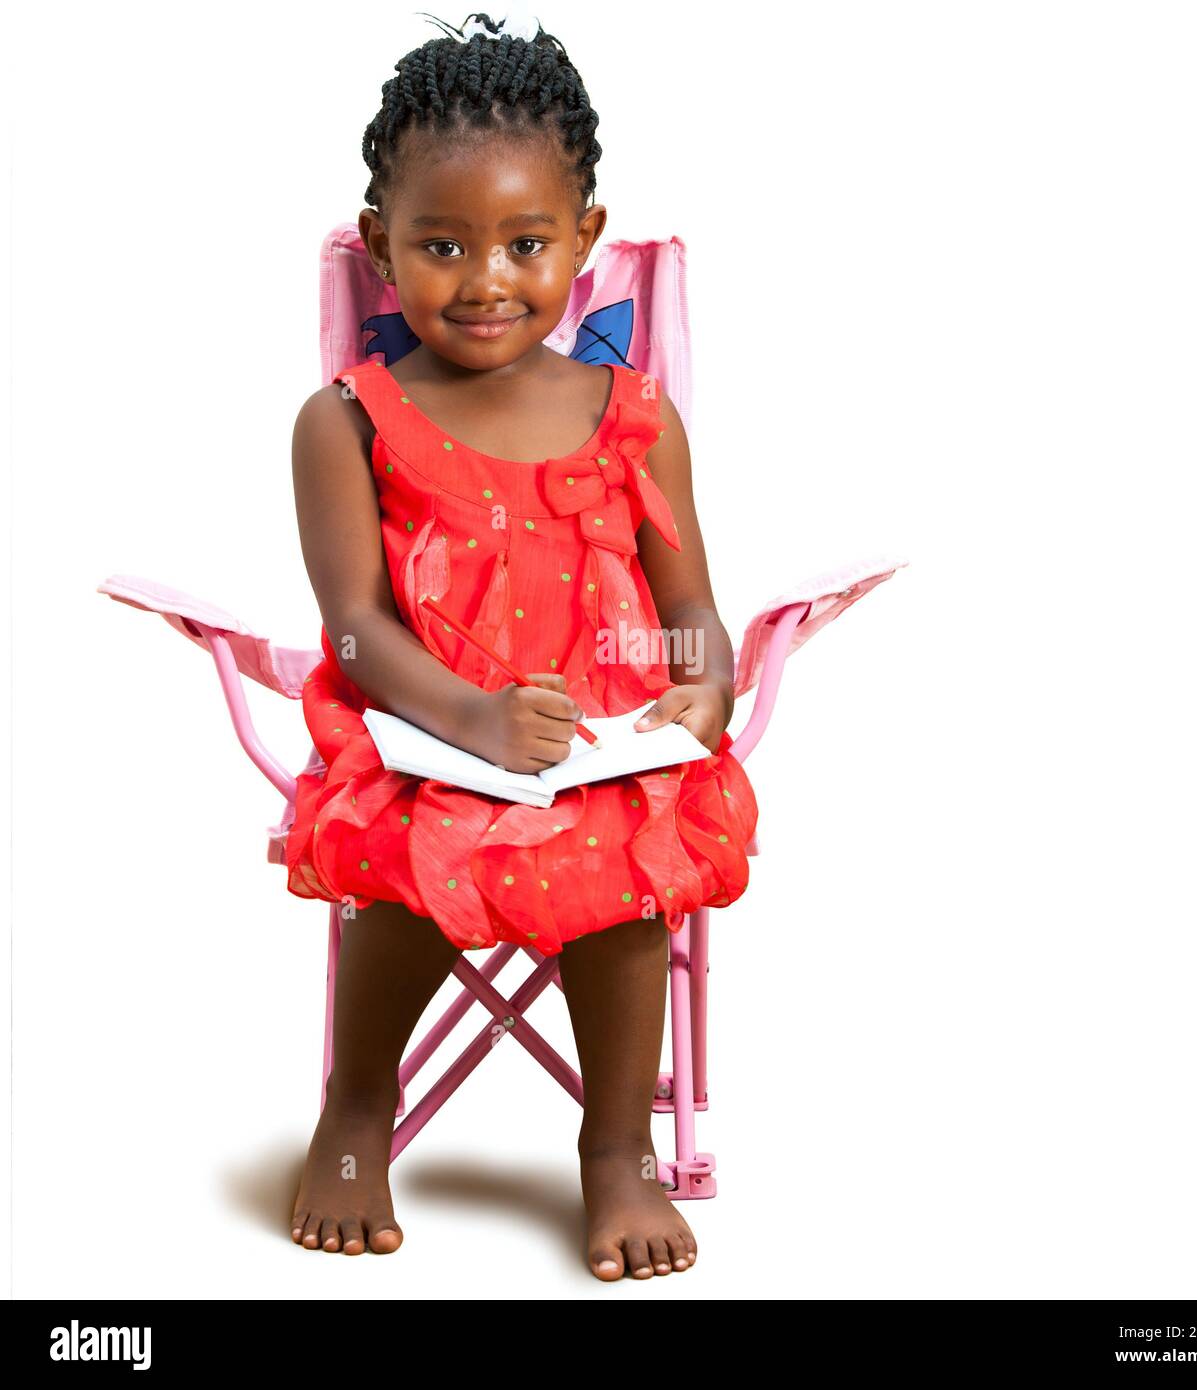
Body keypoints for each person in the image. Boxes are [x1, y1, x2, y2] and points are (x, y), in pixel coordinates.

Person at [284, 11, 759, 1278]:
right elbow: (355, 625)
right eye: (440, 245)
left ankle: (615, 1151)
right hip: (420, 730)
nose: (484, 277)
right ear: (382, 247)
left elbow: (687, 603)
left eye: (525, 243)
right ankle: (355, 1108)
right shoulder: (346, 422)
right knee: (416, 852)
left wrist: (700, 682)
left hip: (597, 740)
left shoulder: (632, 417)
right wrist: (476, 720)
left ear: (584, 243)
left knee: (623, 869)